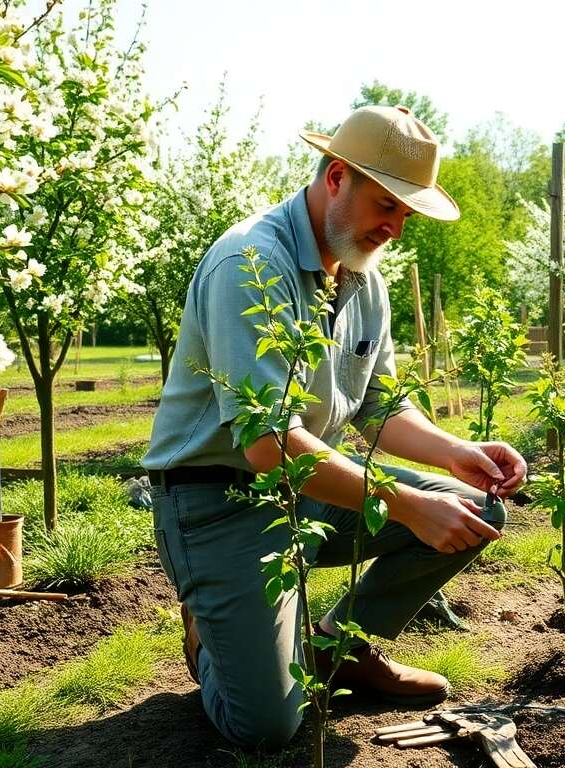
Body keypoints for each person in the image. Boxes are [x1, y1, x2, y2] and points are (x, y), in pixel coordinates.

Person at [141, 105, 527, 749]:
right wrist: (405, 504)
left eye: (407, 213)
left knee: (470, 510)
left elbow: (381, 406)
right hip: (219, 500)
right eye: (388, 205)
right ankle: (209, 635)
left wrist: (457, 451)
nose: (396, 228)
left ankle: (337, 647)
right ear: (337, 177)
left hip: (308, 490)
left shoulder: (362, 274)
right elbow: (266, 444)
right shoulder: (250, 264)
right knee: (265, 729)